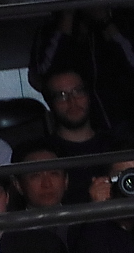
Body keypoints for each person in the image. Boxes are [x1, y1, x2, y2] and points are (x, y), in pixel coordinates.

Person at [28, 0, 134, 133]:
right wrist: (67, 14)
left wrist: (105, 21)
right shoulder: (51, 29)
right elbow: (43, 76)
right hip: (84, 130)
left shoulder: (127, 17)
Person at [0, 140, 71, 253]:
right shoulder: (9, 235)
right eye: (35, 175)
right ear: (18, 185)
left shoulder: (85, 223)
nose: (47, 184)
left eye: (54, 173)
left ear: (66, 180)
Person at [41, 68, 116, 205]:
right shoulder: (44, 156)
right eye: (61, 95)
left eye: (78, 91)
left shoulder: (117, 145)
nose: (72, 101)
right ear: (50, 102)